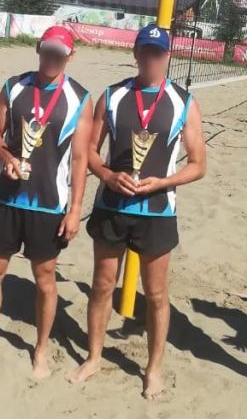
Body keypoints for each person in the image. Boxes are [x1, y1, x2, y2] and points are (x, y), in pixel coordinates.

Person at [69, 24, 206, 399]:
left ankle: (153, 369)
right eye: (145, 51)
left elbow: (198, 165)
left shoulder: (183, 102)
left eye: (157, 53)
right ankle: (94, 357)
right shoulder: (113, 95)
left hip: (157, 210)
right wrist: (108, 175)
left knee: (157, 294)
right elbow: (89, 151)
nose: (150, 59)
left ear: (167, 56)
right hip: (112, 204)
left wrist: (164, 182)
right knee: (102, 285)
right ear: (135, 53)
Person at [0, 26, 92, 378]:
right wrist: (6, 157)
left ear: (70, 56)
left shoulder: (80, 98)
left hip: (49, 203)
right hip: (6, 198)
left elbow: (80, 159)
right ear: (38, 48)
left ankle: (41, 349)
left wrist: (75, 210)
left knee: (45, 279)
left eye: (59, 54)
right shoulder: (14, 86)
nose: (52, 59)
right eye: (48, 51)